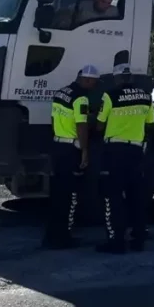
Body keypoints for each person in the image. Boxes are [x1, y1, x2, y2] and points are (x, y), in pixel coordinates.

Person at [95, 63, 154, 253]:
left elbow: (99, 124)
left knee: (113, 198)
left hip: (115, 152)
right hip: (136, 152)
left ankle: (117, 242)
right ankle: (138, 240)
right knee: (136, 197)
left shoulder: (110, 96)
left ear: (117, 78)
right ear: (131, 78)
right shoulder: (146, 96)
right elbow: (150, 123)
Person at [43, 64, 102, 249]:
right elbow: (81, 125)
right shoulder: (81, 99)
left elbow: (53, 119)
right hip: (71, 149)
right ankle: (63, 237)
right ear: (87, 80)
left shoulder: (61, 93)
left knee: (57, 194)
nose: (94, 86)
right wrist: (84, 151)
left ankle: (51, 235)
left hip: (57, 145)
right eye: (93, 82)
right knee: (69, 196)